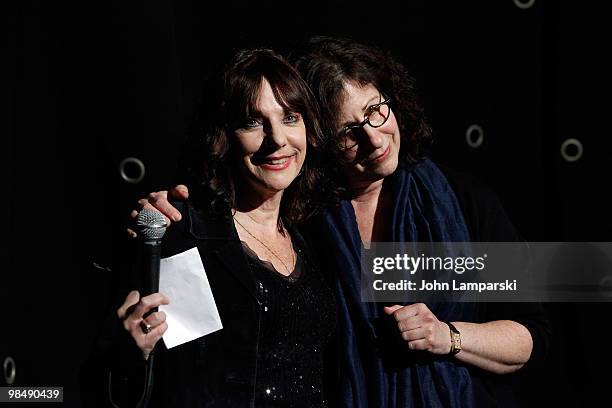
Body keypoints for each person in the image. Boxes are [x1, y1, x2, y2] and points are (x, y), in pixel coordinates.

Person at [132, 37, 550, 407]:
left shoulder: (460, 201)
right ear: (318, 140)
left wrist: (449, 336)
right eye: (348, 131)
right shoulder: (303, 219)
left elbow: (533, 336)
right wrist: (162, 217)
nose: (374, 136)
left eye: (375, 110)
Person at [82, 48, 338, 407]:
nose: (278, 139)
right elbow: (167, 384)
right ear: (224, 137)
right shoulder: (185, 235)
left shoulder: (313, 239)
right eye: (253, 122)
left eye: (290, 117)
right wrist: (129, 355)